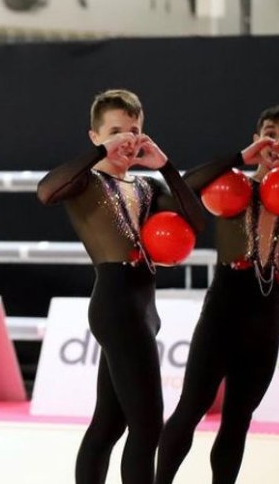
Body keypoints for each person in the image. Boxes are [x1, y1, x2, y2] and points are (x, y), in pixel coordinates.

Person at [37, 89, 205, 484]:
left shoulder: (147, 188)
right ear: (94, 136)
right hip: (116, 303)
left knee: (109, 424)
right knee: (147, 425)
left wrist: (165, 166)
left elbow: (196, 221)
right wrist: (101, 153)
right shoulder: (86, 182)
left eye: (133, 130)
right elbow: (46, 191)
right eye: (115, 131)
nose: (126, 140)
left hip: (144, 307)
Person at [155, 105, 279, 484]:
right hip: (224, 310)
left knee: (238, 419)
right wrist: (238, 159)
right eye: (270, 132)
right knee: (191, 408)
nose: (278, 140)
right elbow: (182, 188)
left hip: (268, 316)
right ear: (255, 140)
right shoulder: (234, 186)